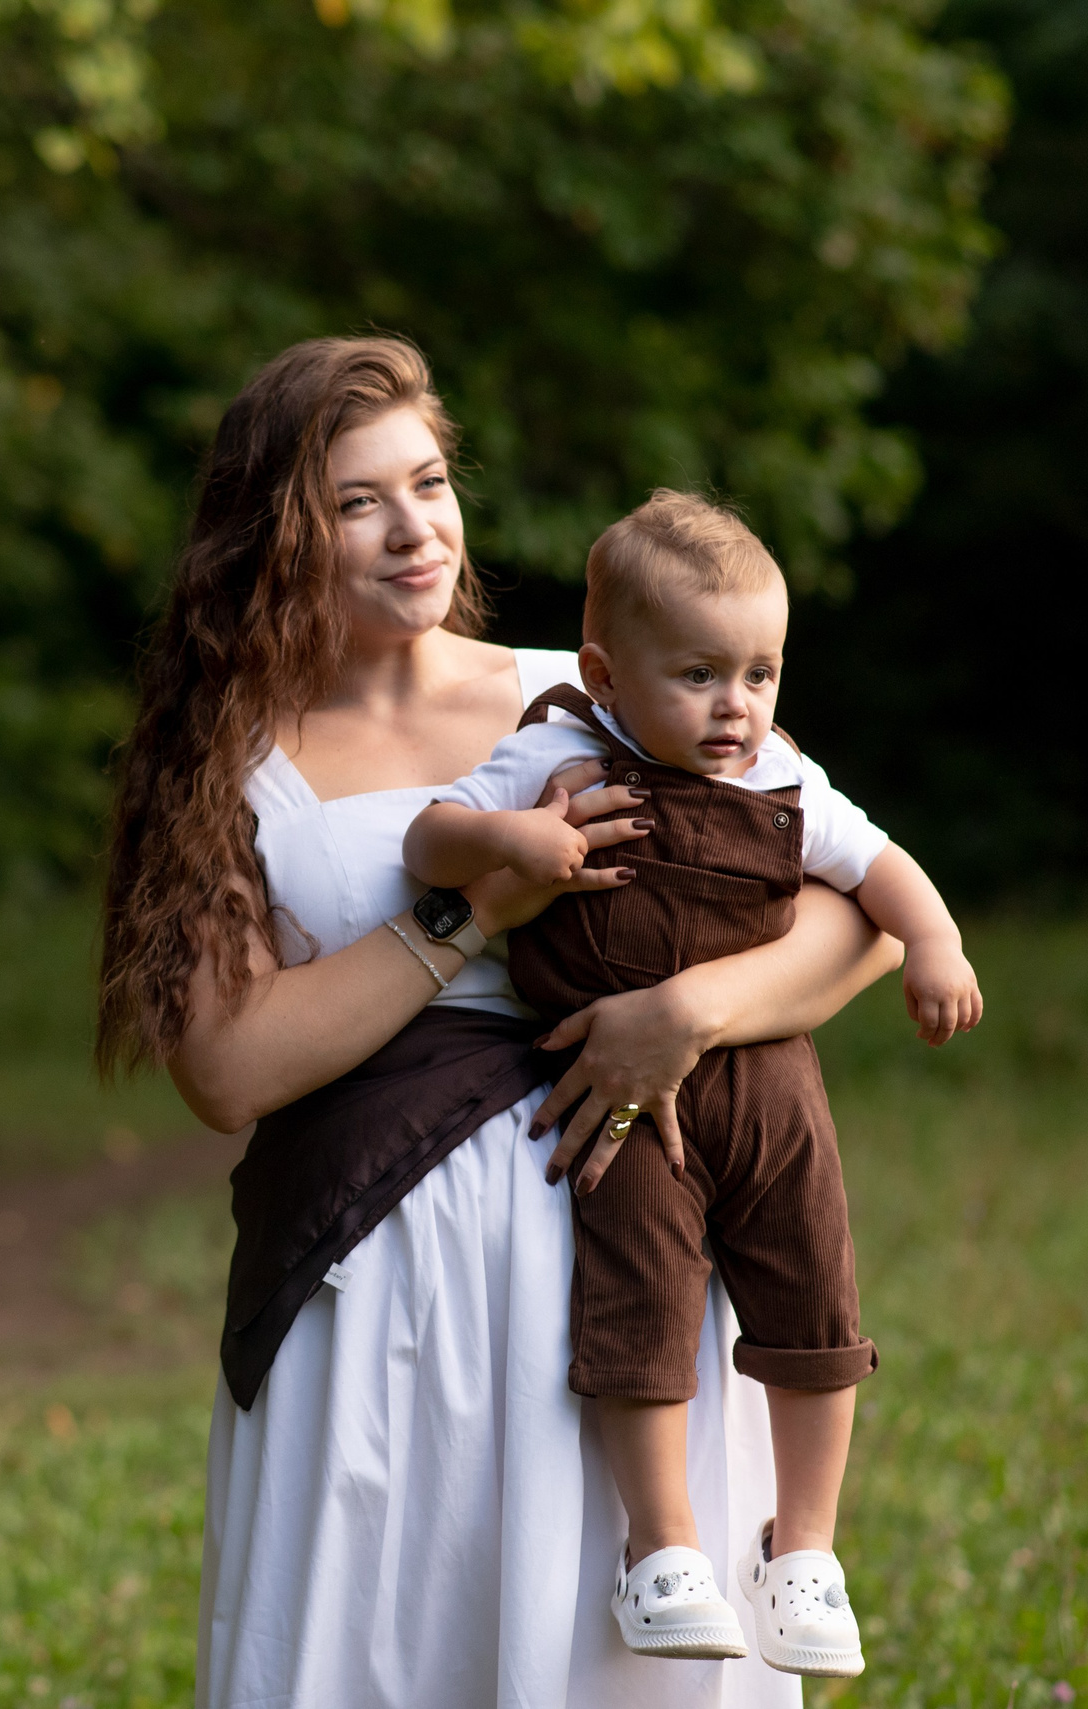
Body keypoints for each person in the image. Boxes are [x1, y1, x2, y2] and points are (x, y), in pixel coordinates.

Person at [96, 335, 901, 1709]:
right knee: (395, 1647)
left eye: (428, 481)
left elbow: (855, 912)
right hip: (382, 1300)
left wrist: (683, 1013)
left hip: (631, 1246)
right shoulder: (227, 762)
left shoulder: (604, 684)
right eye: (358, 502)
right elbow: (227, 1070)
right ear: (277, 535)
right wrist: (470, 916)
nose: (416, 528)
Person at [405, 491, 983, 1675]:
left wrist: (935, 944)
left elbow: (877, 866)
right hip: (613, 1095)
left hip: (770, 1088)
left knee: (817, 1293)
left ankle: (804, 1547)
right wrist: (509, 842)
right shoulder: (557, 750)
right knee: (638, 1297)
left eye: (760, 672)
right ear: (607, 673)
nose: (737, 707)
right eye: (700, 673)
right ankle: (660, 1544)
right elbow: (428, 839)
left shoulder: (783, 776)